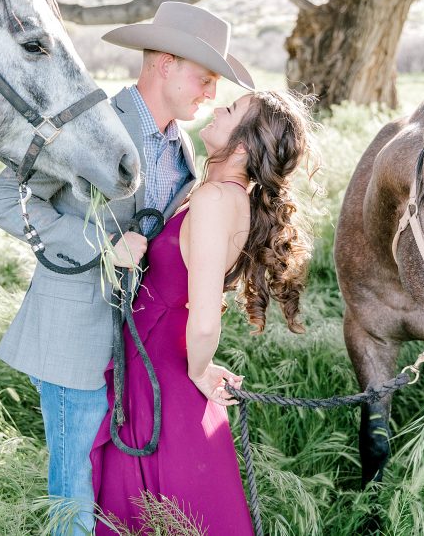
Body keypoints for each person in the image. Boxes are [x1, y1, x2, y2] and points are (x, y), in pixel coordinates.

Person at [0, 1, 254, 535]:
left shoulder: (185, 154)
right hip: (75, 342)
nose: (211, 94)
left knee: (115, 503)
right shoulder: (88, 127)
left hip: (136, 358)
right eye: (204, 78)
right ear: (166, 63)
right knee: (77, 502)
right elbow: (2, 200)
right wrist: (103, 244)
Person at [91, 89, 316, 535]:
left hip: (160, 362)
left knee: (160, 499)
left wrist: (198, 371)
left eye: (230, 110)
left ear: (245, 145)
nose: (218, 108)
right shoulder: (216, 192)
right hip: (154, 350)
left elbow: (206, 313)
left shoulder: (217, 200)